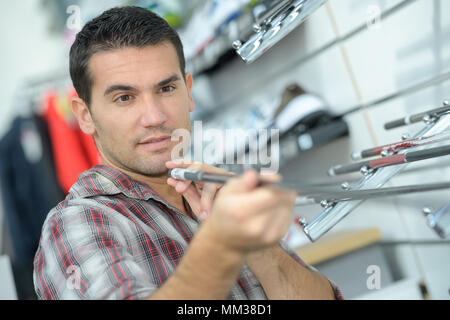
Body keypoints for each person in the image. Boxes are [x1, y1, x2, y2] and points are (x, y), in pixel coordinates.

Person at [33, 6, 342, 300]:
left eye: (166, 89)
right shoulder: (78, 224)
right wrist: (223, 245)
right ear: (85, 115)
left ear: (188, 91)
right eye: (125, 97)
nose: (154, 116)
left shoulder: (214, 190)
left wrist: (260, 248)